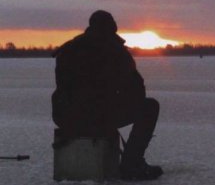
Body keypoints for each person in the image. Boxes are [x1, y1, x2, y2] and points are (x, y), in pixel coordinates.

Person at [52, 10, 163, 181]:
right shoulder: (115, 50)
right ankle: (131, 165)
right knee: (149, 106)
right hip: (99, 116)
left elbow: (62, 87)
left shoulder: (68, 49)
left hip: (67, 117)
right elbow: (137, 89)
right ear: (112, 28)